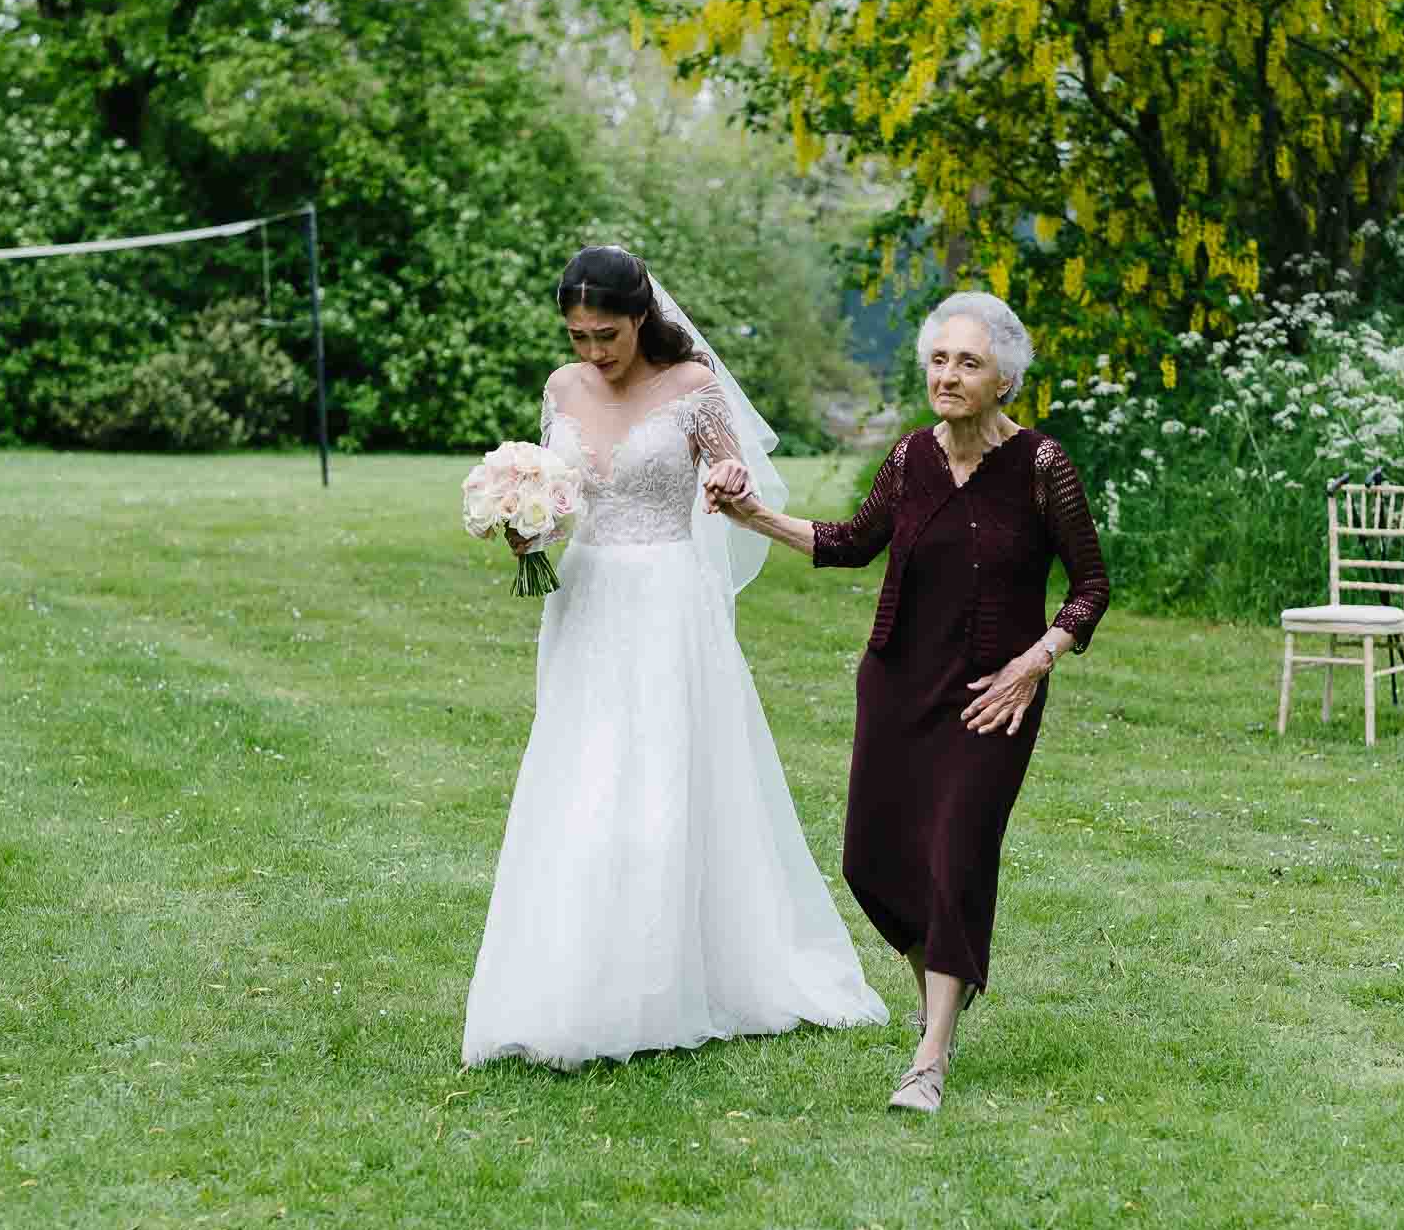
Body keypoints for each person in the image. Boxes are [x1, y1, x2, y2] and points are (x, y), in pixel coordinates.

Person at [461, 246, 887, 1070]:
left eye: (607, 333)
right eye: (578, 334)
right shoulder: (561, 389)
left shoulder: (691, 387)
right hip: (586, 600)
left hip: (665, 601)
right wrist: (527, 526)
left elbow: (733, 473)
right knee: (581, 771)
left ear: (641, 316)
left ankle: (661, 979)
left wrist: (727, 478)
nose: (593, 351)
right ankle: (566, 976)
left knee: (659, 777)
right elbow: (566, 500)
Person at [709, 291, 1110, 1113]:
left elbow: (1092, 585)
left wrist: (1035, 664)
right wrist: (755, 516)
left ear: (1006, 379)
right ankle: (943, 998)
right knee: (871, 861)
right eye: (938, 358)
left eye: (969, 362)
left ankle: (929, 1056)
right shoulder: (910, 459)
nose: (948, 375)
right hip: (896, 684)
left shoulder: (1041, 466)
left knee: (957, 853)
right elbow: (852, 544)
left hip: (991, 697)